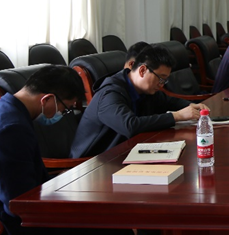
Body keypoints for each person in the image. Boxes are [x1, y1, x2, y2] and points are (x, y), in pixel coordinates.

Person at [0, 66, 133, 235]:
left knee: (100, 224)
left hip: (3, 218)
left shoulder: (1, 110)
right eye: (66, 108)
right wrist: (69, 207)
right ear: (47, 99)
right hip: (6, 234)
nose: (63, 114)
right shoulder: (11, 129)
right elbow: (18, 204)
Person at [70, 45, 207, 158]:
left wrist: (192, 107)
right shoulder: (109, 94)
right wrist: (177, 116)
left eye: (164, 80)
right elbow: (130, 126)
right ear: (142, 70)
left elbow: (168, 101)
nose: (161, 85)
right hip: (91, 164)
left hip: (124, 153)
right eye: (161, 78)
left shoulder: (144, 90)